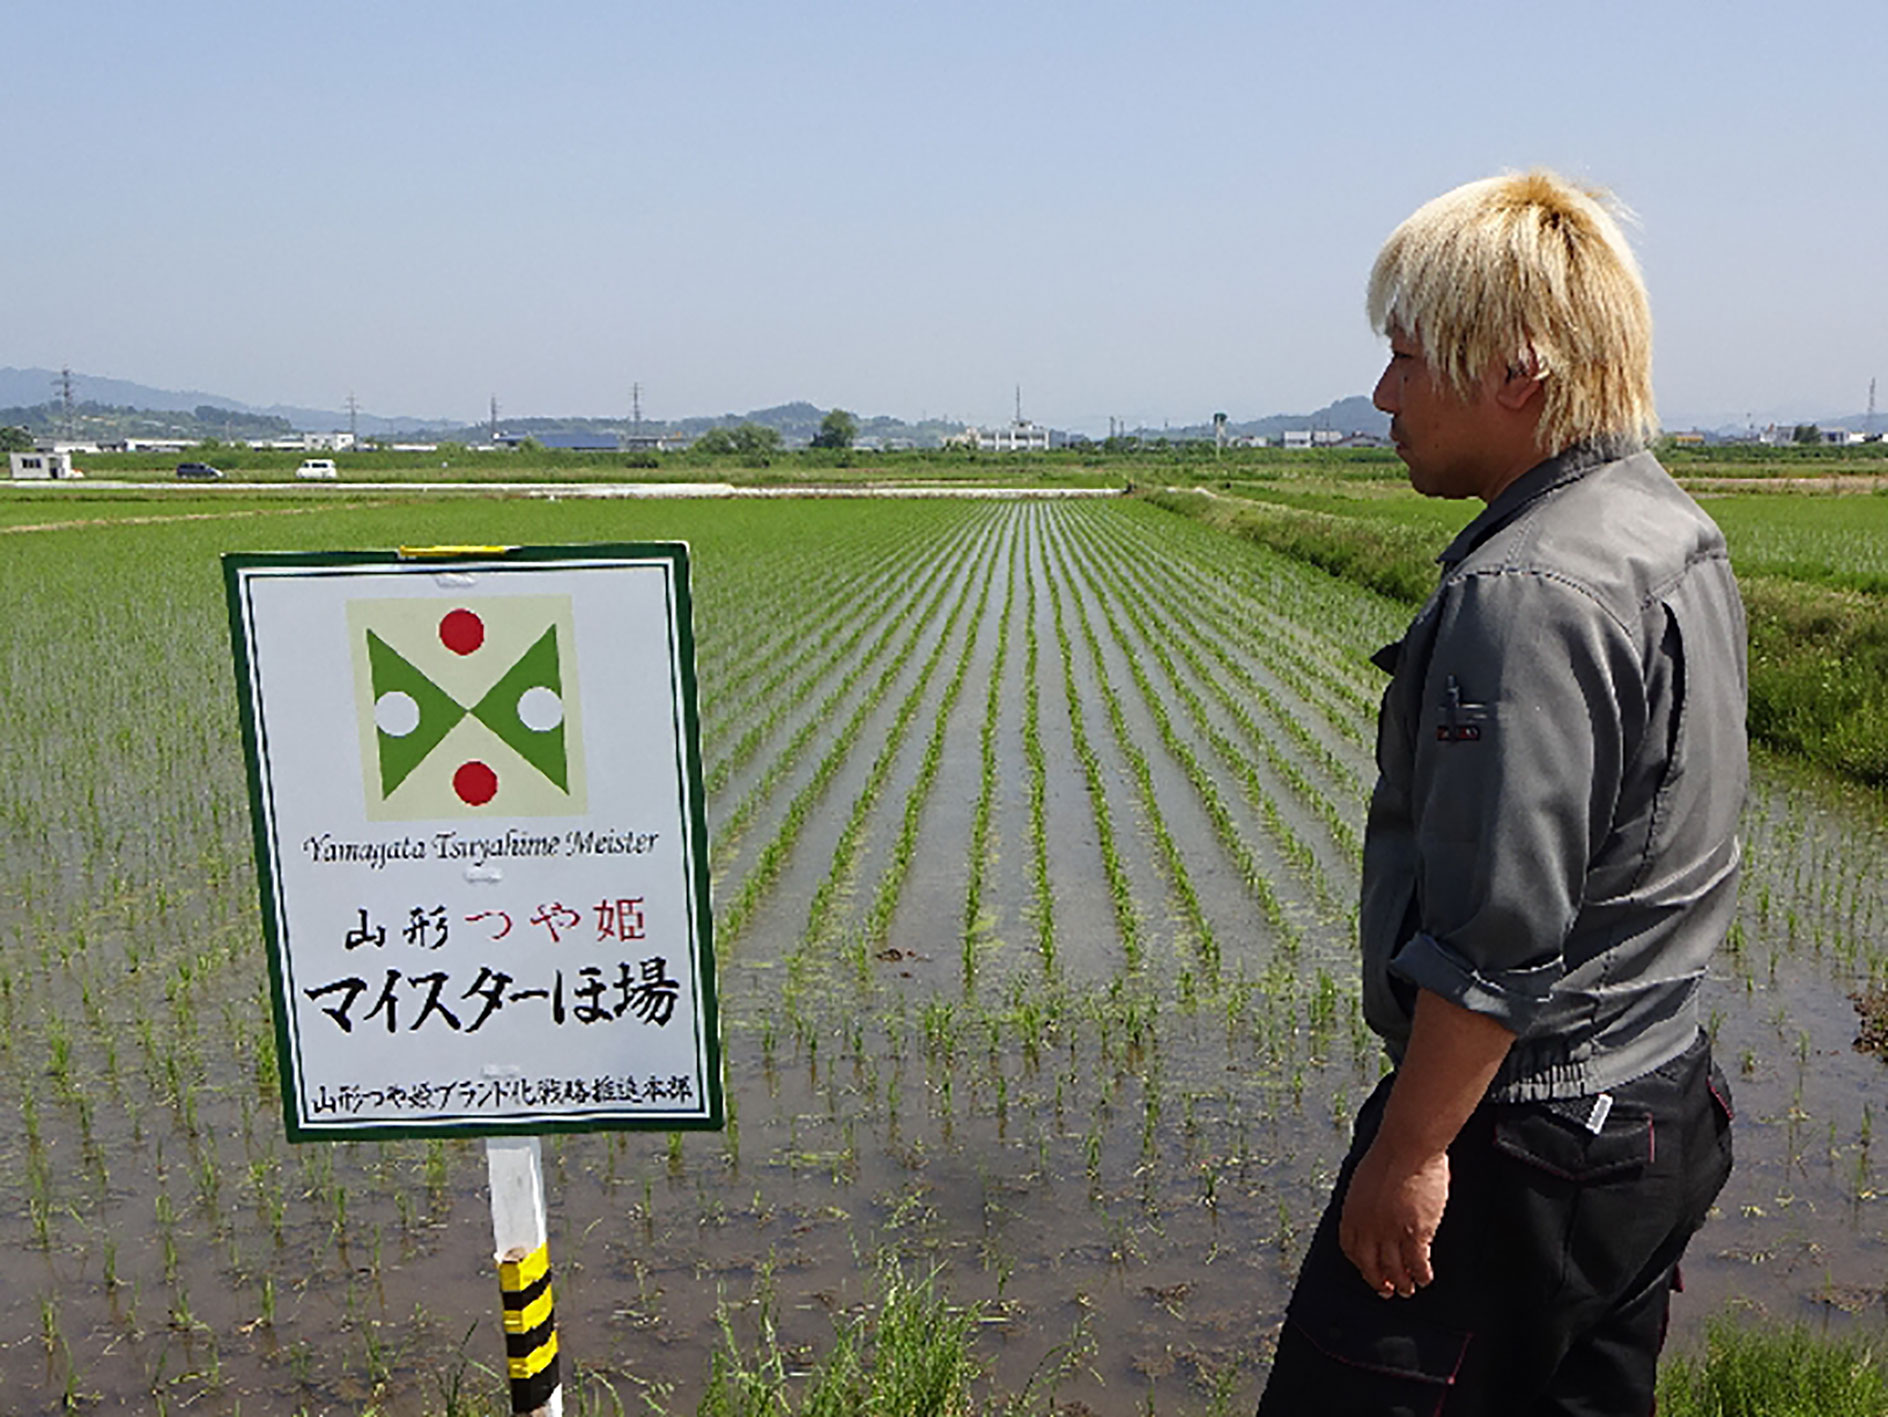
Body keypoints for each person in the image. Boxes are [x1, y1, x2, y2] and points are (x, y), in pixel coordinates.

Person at [1257, 170, 1743, 1416]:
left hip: (1526, 1136)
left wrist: (1410, 1151)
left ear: (1516, 370)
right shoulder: (1663, 528)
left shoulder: (1524, 592)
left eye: (1405, 359)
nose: (1380, 397)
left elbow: (1498, 937)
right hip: (1653, 1100)